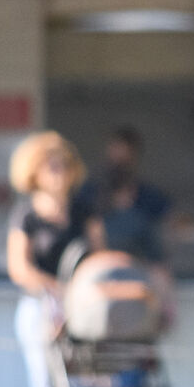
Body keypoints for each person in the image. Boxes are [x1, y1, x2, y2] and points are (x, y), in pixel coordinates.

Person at [5, 132, 103, 387]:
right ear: (35, 172)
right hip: (40, 307)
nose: (60, 174)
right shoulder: (26, 215)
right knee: (45, 386)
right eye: (52, 167)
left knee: (84, 385)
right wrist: (57, 291)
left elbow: (98, 258)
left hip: (81, 309)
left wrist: (80, 294)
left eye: (65, 166)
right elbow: (19, 268)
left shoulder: (84, 210)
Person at [77, 126, 175, 326]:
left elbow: (158, 266)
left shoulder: (141, 214)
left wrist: (166, 304)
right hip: (98, 296)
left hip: (134, 297)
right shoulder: (90, 202)